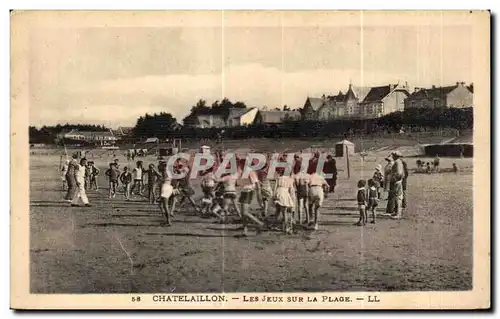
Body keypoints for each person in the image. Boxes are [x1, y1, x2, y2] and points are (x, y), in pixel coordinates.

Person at [238, 168, 264, 237]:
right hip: (244, 191)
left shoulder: (250, 171)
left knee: (244, 212)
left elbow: (257, 183)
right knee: (243, 214)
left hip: (248, 192)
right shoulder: (243, 171)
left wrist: (259, 197)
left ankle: (259, 223)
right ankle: (245, 231)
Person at [388, 151, 405, 219]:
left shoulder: (397, 162)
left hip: (396, 182)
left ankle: (398, 214)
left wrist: (395, 179)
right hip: (398, 181)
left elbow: (399, 173)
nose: (392, 156)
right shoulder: (399, 162)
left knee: (398, 197)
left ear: (395, 156)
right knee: (397, 197)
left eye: (393, 155)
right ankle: (397, 212)